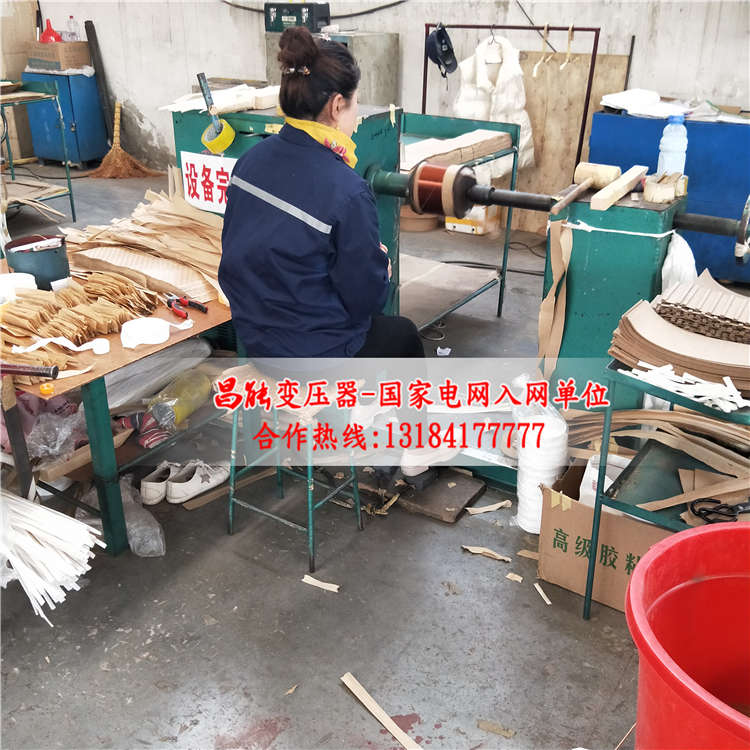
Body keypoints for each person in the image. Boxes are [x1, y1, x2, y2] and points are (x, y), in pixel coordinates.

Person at [219, 27, 424, 361]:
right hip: (312, 356)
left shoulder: (249, 162)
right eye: (356, 104)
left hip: (256, 340)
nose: (356, 117)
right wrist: (379, 268)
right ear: (337, 105)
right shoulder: (348, 191)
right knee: (404, 334)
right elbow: (368, 300)